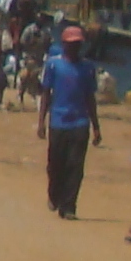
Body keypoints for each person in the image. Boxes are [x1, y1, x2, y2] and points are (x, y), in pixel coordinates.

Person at [37, 25, 101, 219]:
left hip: (80, 123)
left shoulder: (88, 68)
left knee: (75, 166)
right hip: (58, 122)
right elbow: (46, 94)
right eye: (71, 44)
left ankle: (69, 206)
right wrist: (41, 121)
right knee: (55, 165)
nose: (75, 47)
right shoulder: (53, 66)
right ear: (64, 44)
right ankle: (54, 195)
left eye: (78, 44)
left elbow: (90, 98)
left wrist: (96, 127)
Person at [15, 17, 51, 111]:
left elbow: (48, 45)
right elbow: (22, 44)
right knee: (25, 76)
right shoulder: (29, 30)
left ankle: (39, 100)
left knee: (37, 79)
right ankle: (20, 96)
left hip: (39, 59)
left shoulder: (46, 32)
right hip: (28, 57)